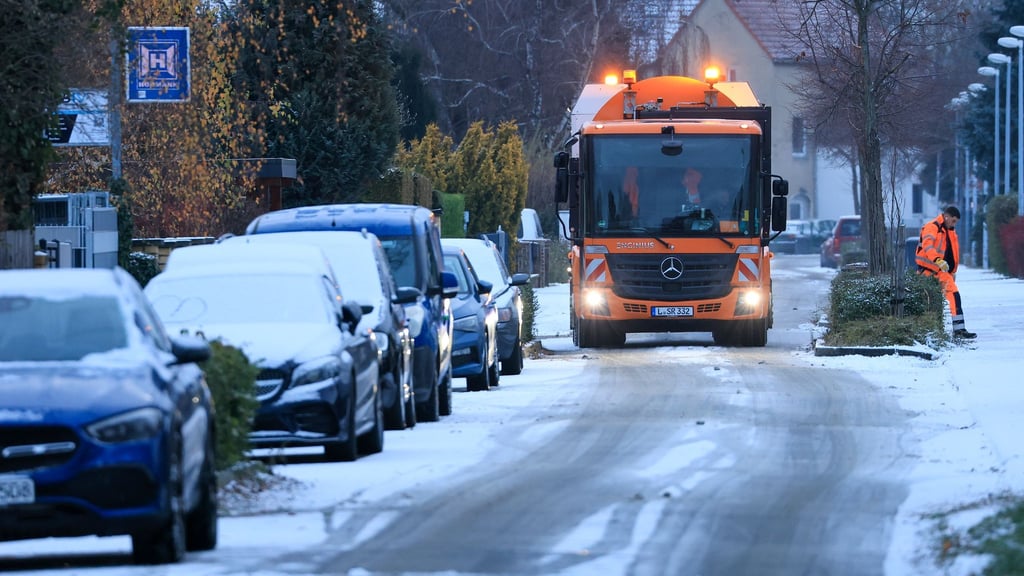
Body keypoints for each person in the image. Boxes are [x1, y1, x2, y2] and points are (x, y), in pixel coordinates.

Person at [916, 205, 976, 339]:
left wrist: (953, 271)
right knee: (931, 300)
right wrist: (938, 260)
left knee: (951, 296)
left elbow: (952, 252)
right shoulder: (932, 227)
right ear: (947, 216)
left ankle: (956, 330)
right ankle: (953, 330)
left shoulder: (949, 230)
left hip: (940, 271)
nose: (954, 224)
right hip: (929, 269)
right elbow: (928, 246)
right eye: (953, 221)